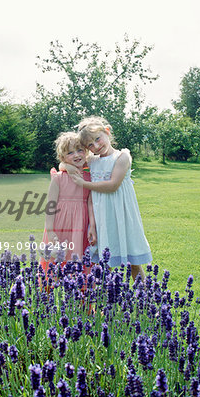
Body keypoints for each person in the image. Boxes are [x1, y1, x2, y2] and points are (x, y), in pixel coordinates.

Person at [67, 116, 151, 281]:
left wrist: (83, 183)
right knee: (106, 260)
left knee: (133, 259)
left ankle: (145, 297)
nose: (96, 146)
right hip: (102, 216)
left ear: (107, 132)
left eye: (98, 139)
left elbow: (113, 185)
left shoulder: (122, 157)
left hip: (123, 214)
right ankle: (111, 299)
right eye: (90, 145)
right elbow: (65, 164)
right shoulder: (91, 161)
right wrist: (92, 225)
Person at [40, 132, 97, 275]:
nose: (77, 155)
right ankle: (50, 289)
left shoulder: (90, 175)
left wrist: (93, 226)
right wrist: (50, 229)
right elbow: (50, 205)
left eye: (80, 150)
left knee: (78, 254)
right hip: (60, 223)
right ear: (62, 158)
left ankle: (80, 288)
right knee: (56, 256)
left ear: (86, 152)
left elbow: (91, 202)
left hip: (81, 222)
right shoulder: (58, 178)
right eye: (70, 153)